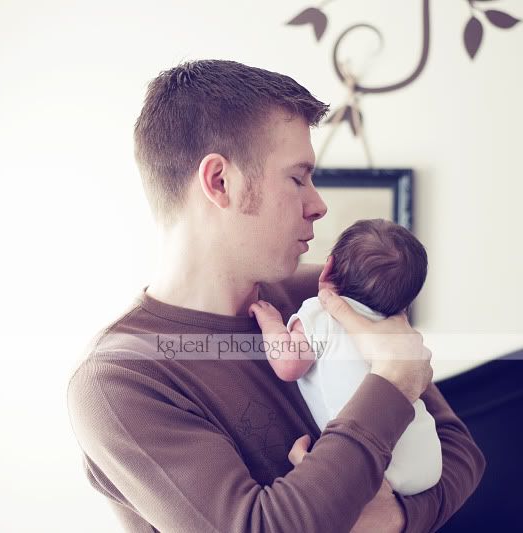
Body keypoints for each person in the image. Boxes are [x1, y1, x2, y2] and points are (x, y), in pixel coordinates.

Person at [67, 59, 485, 532]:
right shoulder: (119, 381)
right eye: (298, 177)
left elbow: (460, 451)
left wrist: (393, 519)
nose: (319, 204)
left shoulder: (325, 295)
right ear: (219, 182)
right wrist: (389, 381)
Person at [251, 219, 442, 496]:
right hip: (428, 460)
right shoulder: (394, 332)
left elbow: (289, 364)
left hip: (372, 467)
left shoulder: (320, 312)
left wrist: (271, 324)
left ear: (327, 269)